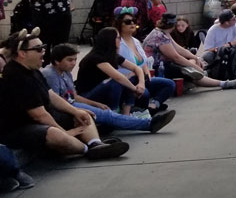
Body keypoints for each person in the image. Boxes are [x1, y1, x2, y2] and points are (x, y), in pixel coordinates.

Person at [0, 29, 129, 160]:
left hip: (42, 119)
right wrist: (66, 133)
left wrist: (76, 111)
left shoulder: (33, 70)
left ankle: (96, 144)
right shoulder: (15, 76)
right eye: (39, 49)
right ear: (22, 53)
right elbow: (39, 116)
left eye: (44, 47)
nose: (44, 51)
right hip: (18, 128)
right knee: (55, 134)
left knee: (83, 114)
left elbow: (52, 96)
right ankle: (88, 150)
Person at [43, 44, 176, 134]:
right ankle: (148, 124)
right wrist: (81, 109)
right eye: (69, 60)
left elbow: (74, 96)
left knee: (106, 112)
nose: (73, 63)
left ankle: (135, 120)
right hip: (64, 110)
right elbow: (56, 102)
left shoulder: (65, 72)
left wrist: (95, 104)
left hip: (73, 104)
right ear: (56, 61)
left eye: (74, 60)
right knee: (108, 115)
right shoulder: (50, 74)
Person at [115, 12, 177, 108]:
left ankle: (154, 105)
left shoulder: (135, 41)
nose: (132, 23)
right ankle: (141, 110)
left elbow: (143, 63)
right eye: (128, 22)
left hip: (142, 79)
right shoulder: (117, 43)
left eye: (134, 21)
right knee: (145, 94)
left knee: (169, 84)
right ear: (119, 24)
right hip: (128, 80)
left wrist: (147, 75)